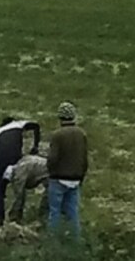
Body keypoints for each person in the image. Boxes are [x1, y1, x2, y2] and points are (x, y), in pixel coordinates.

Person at [0, 116, 41, 226]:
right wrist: (35, 146)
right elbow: (36, 126)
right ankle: (16, 219)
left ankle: (0, 221)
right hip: (16, 160)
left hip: (0, 163)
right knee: (19, 191)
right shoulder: (19, 124)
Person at [47, 102, 88, 238]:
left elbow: (53, 158)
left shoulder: (57, 135)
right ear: (74, 116)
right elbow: (84, 158)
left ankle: (53, 242)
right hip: (75, 178)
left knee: (55, 212)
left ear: (60, 117)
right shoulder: (81, 134)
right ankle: (75, 241)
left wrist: (51, 173)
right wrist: (81, 176)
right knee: (73, 213)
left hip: (58, 178)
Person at [7, 154, 49, 223]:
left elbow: (19, 196)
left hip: (51, 170)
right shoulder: (21, 163)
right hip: (49, 166)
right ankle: (43, 218)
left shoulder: (19, 174)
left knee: (50, 196)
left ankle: (15, 218)